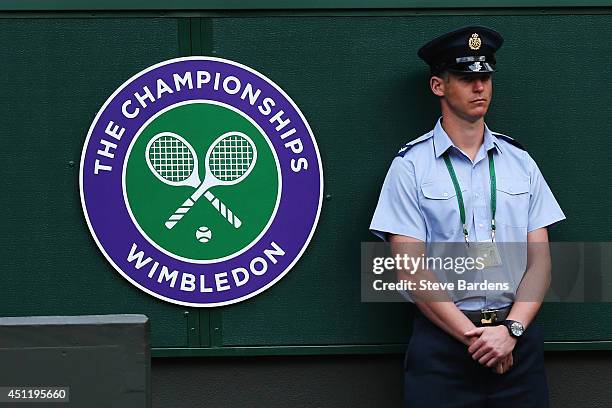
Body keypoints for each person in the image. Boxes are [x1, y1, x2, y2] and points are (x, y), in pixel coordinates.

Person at [369, 26, 565, 407]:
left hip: (516, 344)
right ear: (438, 87)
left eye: (485, 77)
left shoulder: (520, 163)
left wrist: (510, 331)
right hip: (443, 347)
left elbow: (540, 263)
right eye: (466, 78)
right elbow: (410, 270)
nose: (480, 87)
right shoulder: (410, 167)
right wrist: (475, 339)